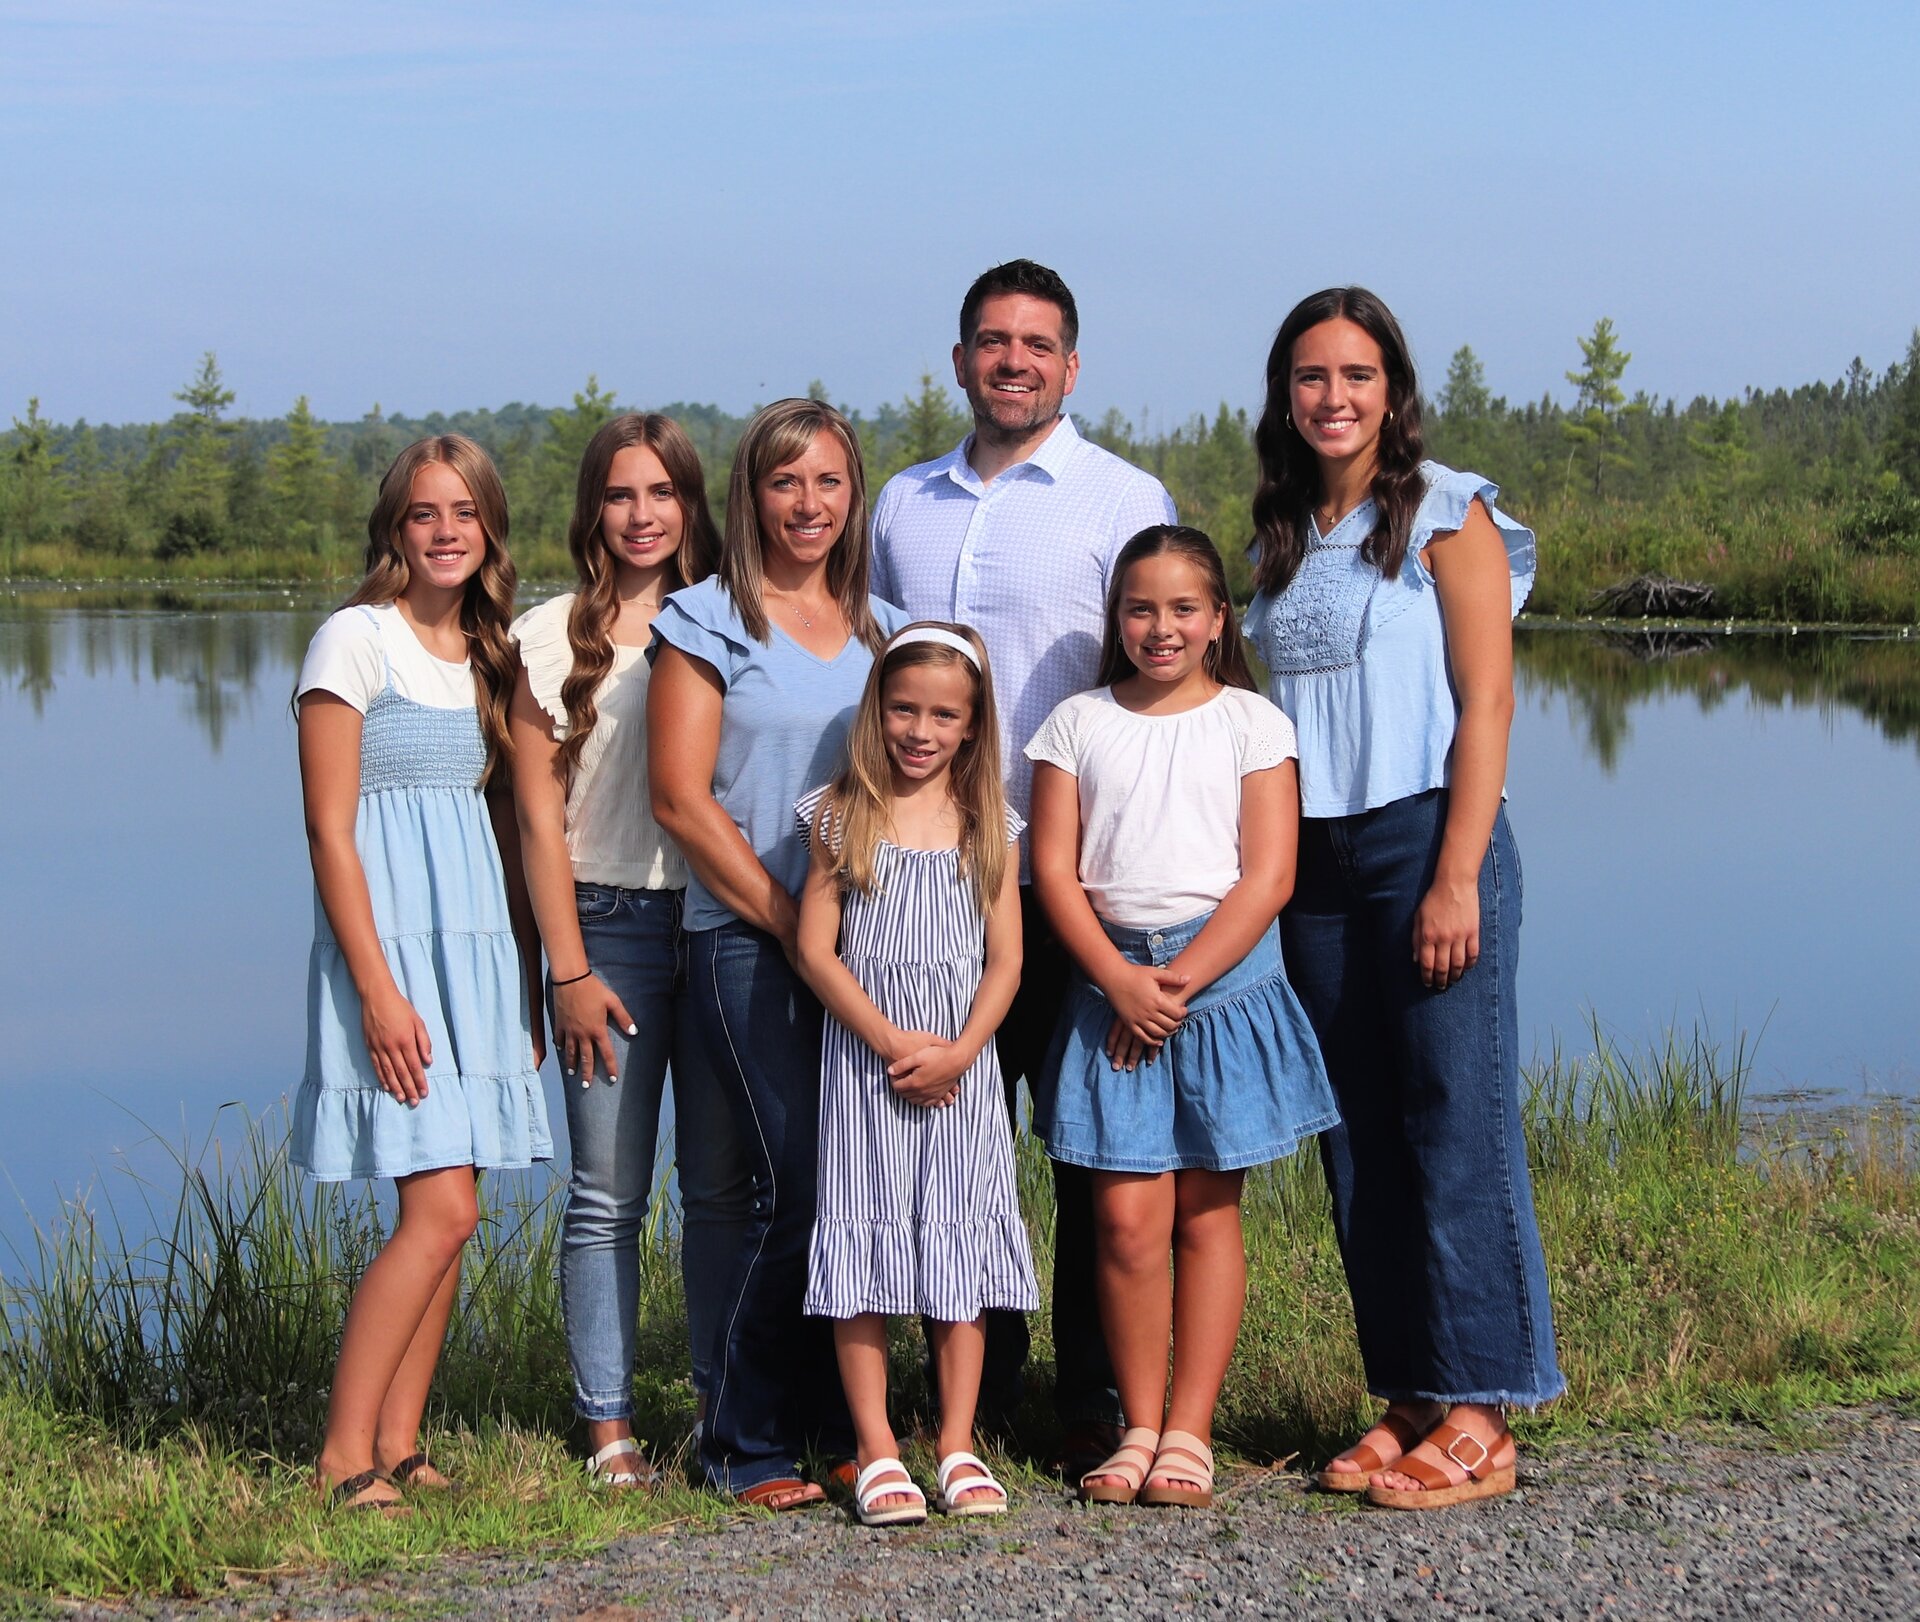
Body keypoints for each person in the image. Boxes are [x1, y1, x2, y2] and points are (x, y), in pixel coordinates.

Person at [1245, 286, 1564, 1510]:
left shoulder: (1448, 511)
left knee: (1453, 1119)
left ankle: (1485, 1403)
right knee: (1357, 1137)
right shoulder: (1283, 532)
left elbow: (1488, 703)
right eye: (1313, 375)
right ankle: (1415, 1391)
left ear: (1394, 391)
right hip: (1316, 867)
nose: (1334, 396)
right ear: (1286, 393)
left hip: (1430, 840)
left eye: (1358, 374)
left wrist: (1454, 874)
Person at [870, 258, 1176, 1474]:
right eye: (992, 341)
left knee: (1091, 1140)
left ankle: (1095, 1398)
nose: (1013, 360)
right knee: (952, 1133)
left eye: (1037, 344)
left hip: (1074, 874)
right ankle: (974, 1393)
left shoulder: (1118, 495)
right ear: (959, 360)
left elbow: (1160, 663)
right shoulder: (900, 503)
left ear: (1072, 365)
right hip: (927, 872)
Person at [1026, 524, 1337, 1509]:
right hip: (1108, 983)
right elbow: (1052, 869)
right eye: (1141, 607)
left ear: (1217, 621)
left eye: (1183, 608)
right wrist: (1121, 980)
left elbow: (1270, 872)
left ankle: (1189, 1430)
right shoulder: (1076, 722)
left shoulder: (1252, 721)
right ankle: (1137, 1420)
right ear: (1116, 619)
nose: (1162, 626)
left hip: (1224, 983)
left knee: (1206, 1210)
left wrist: (1182, 981)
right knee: (1123, 1216)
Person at [649, 398, 911, 1509]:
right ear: (751, 493)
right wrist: (785, 925)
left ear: (855, 497)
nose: (809, 505)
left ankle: (837, 1425)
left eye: (830, 484)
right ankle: (739, 1437)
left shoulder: (885, 629)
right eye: (785, 482)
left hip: (868, 954)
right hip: (749, 947)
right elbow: (682, 798)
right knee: (785, 1188)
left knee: (854, 1189)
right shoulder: (706, 620)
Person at [292, 435, 550, 1513]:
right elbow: (328, 831)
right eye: (422, 512)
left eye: (465, 511)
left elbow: (513, 826)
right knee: (436, 1208)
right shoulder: (354, 640)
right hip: (392, 954)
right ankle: (340, 1448)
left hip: (476, 955)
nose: (445, 530)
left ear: (490, 528)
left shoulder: (490, 655)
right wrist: (377, 989)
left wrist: (531, 982)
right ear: (394, 528)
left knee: (461, 1205)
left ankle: (401, 1440)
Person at [508, 413, 751, 1488]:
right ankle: (608, 1427)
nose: (644, 515)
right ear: (592, 508)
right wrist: (565, 966)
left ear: (693, 506)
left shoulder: (736, 623)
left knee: (720, 1190)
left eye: (664, 493)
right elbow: (534, 819)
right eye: (622, 494)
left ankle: (720, 1408)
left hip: (718, 924)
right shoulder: (547, 634)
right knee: (607, 1192)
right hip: (606, 928)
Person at [793, 622, 1039, 1527]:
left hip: (964, 1070)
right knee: (863, 1240)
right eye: (903, 708)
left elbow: (1007, 961)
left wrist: (964, 1049)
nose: (920, 730)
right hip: (867, 1066)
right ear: (876, 710)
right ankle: (876, 1445)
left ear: (972, 727)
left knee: (958, 1246)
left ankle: (956, 1441)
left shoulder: (990, 826)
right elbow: (817, 951)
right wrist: (893, 1040)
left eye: (943, 714)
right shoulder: (839, 814)